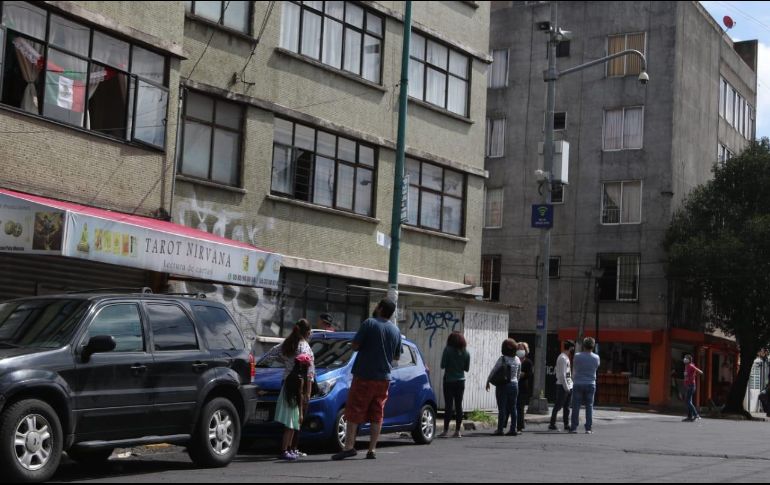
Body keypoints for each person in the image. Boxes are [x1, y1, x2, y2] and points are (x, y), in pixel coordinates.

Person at [332, 298, 402, 461]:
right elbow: (397, 356)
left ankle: (349, 447)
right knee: (377, 413)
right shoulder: (395, 331)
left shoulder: (369, 323)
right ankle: (372, 449)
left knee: (354, 410)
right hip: (384, 378)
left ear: (380, 308)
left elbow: (355, 346)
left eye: (377, 305)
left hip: (364, 375)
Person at [262, 319, 315, 460]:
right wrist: (308, 392)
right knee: (295, 419)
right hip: (299, 386)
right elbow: (309, 373)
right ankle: (290, 449)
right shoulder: (305, 348)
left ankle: (290, 449)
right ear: (307, 332)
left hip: (287, 383)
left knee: (290, 418)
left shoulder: (288, 343)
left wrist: (282, 362)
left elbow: (270, 355)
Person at [486, 338, 521, 437]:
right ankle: (513, 429)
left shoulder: (502, 359)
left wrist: (488, 381)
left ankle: (500, 429)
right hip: (514, 385)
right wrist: (515, 382)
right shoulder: (517, 359)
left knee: (502, 408)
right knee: (513, 407)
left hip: (503, 385)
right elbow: (518, 374)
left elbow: (494, 370)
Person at [440, 332, 471, 438]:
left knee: (448, 406)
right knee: (459, 406)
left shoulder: (447, 350)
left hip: (449, 381)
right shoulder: (466, 352)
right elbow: (466, 368)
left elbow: (442, 365)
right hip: (461, 381)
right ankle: (457, 431)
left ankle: (445, 431)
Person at [570, 337, 601, 434]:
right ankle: (588, 428)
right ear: (593, 346)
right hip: (590, 383)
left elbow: (575, 366)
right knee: (589, 406)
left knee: (576, 406)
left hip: (578, 382)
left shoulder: (577, 356)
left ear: (584, 345)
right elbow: (596, 367)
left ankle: (574, 427)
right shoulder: (596, 357)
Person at [549, 340, 575, 431]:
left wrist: (570, 384)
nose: (573, 349)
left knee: (567, 407)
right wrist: (566, 387)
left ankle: (566, 424)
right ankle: (552, 423)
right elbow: (562, 375)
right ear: (570, 348)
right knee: (558, 405)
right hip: (562, 385)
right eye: (573, 348)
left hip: (569, 384)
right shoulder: (563, 358)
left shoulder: (566, 357)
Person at [516, 342, 533, 433]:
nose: (520, 350)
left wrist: (521, 374)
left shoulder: (528, 362)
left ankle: (520, 426)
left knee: (520, 407)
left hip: (523, 387)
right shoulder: (514, 360)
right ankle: (504, 425)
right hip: (513, 385)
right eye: (518, 349)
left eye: (521, 349)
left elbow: (528, 374)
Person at [683, 354, 704, 422]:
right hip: (688, 386)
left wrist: (700, 372)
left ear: (689, 360)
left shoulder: (691, 366)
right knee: (689, 401)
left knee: (688, 401)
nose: (685, 359)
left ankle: (696, 415)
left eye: (686, 358)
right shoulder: (686, 366)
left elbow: (699, 371)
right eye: (684, 358)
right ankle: (690, 417)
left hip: (691, 386)